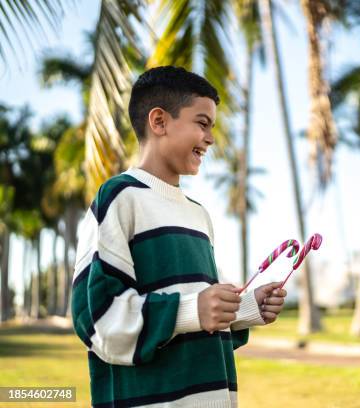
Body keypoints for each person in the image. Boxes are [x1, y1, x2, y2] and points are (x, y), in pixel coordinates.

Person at [71, 66, 287, 407]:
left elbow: (196, 314)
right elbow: (96, 319)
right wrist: (193, 310)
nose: (211, 138)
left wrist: (247, 308)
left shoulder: (198, 214)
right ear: (159, 122)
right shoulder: (119, 198)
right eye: (202, 123)